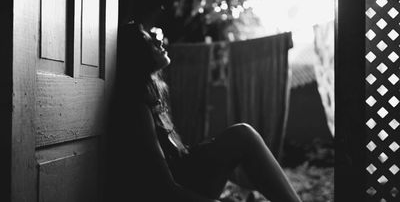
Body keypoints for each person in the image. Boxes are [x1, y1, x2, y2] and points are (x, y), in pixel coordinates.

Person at [105, 21, 302, 202]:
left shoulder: (152, 92)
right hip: (176, 194)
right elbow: (164, 190)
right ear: (136, 55)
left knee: (241, 135)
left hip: (187, 178)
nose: (158, 40)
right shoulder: (135, 107)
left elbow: (179, 159)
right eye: (147, 40)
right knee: (242, 135)